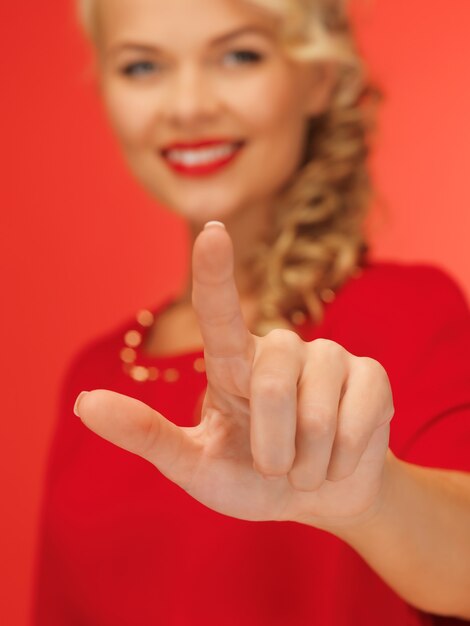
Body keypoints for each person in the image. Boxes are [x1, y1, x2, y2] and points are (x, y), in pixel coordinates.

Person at [33, 0, 470, 624]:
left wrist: (376, 501)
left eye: (239, 55)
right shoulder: (94, 376)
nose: (186, 105)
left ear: (317, 79)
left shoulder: (406, 311)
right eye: (140, 67)